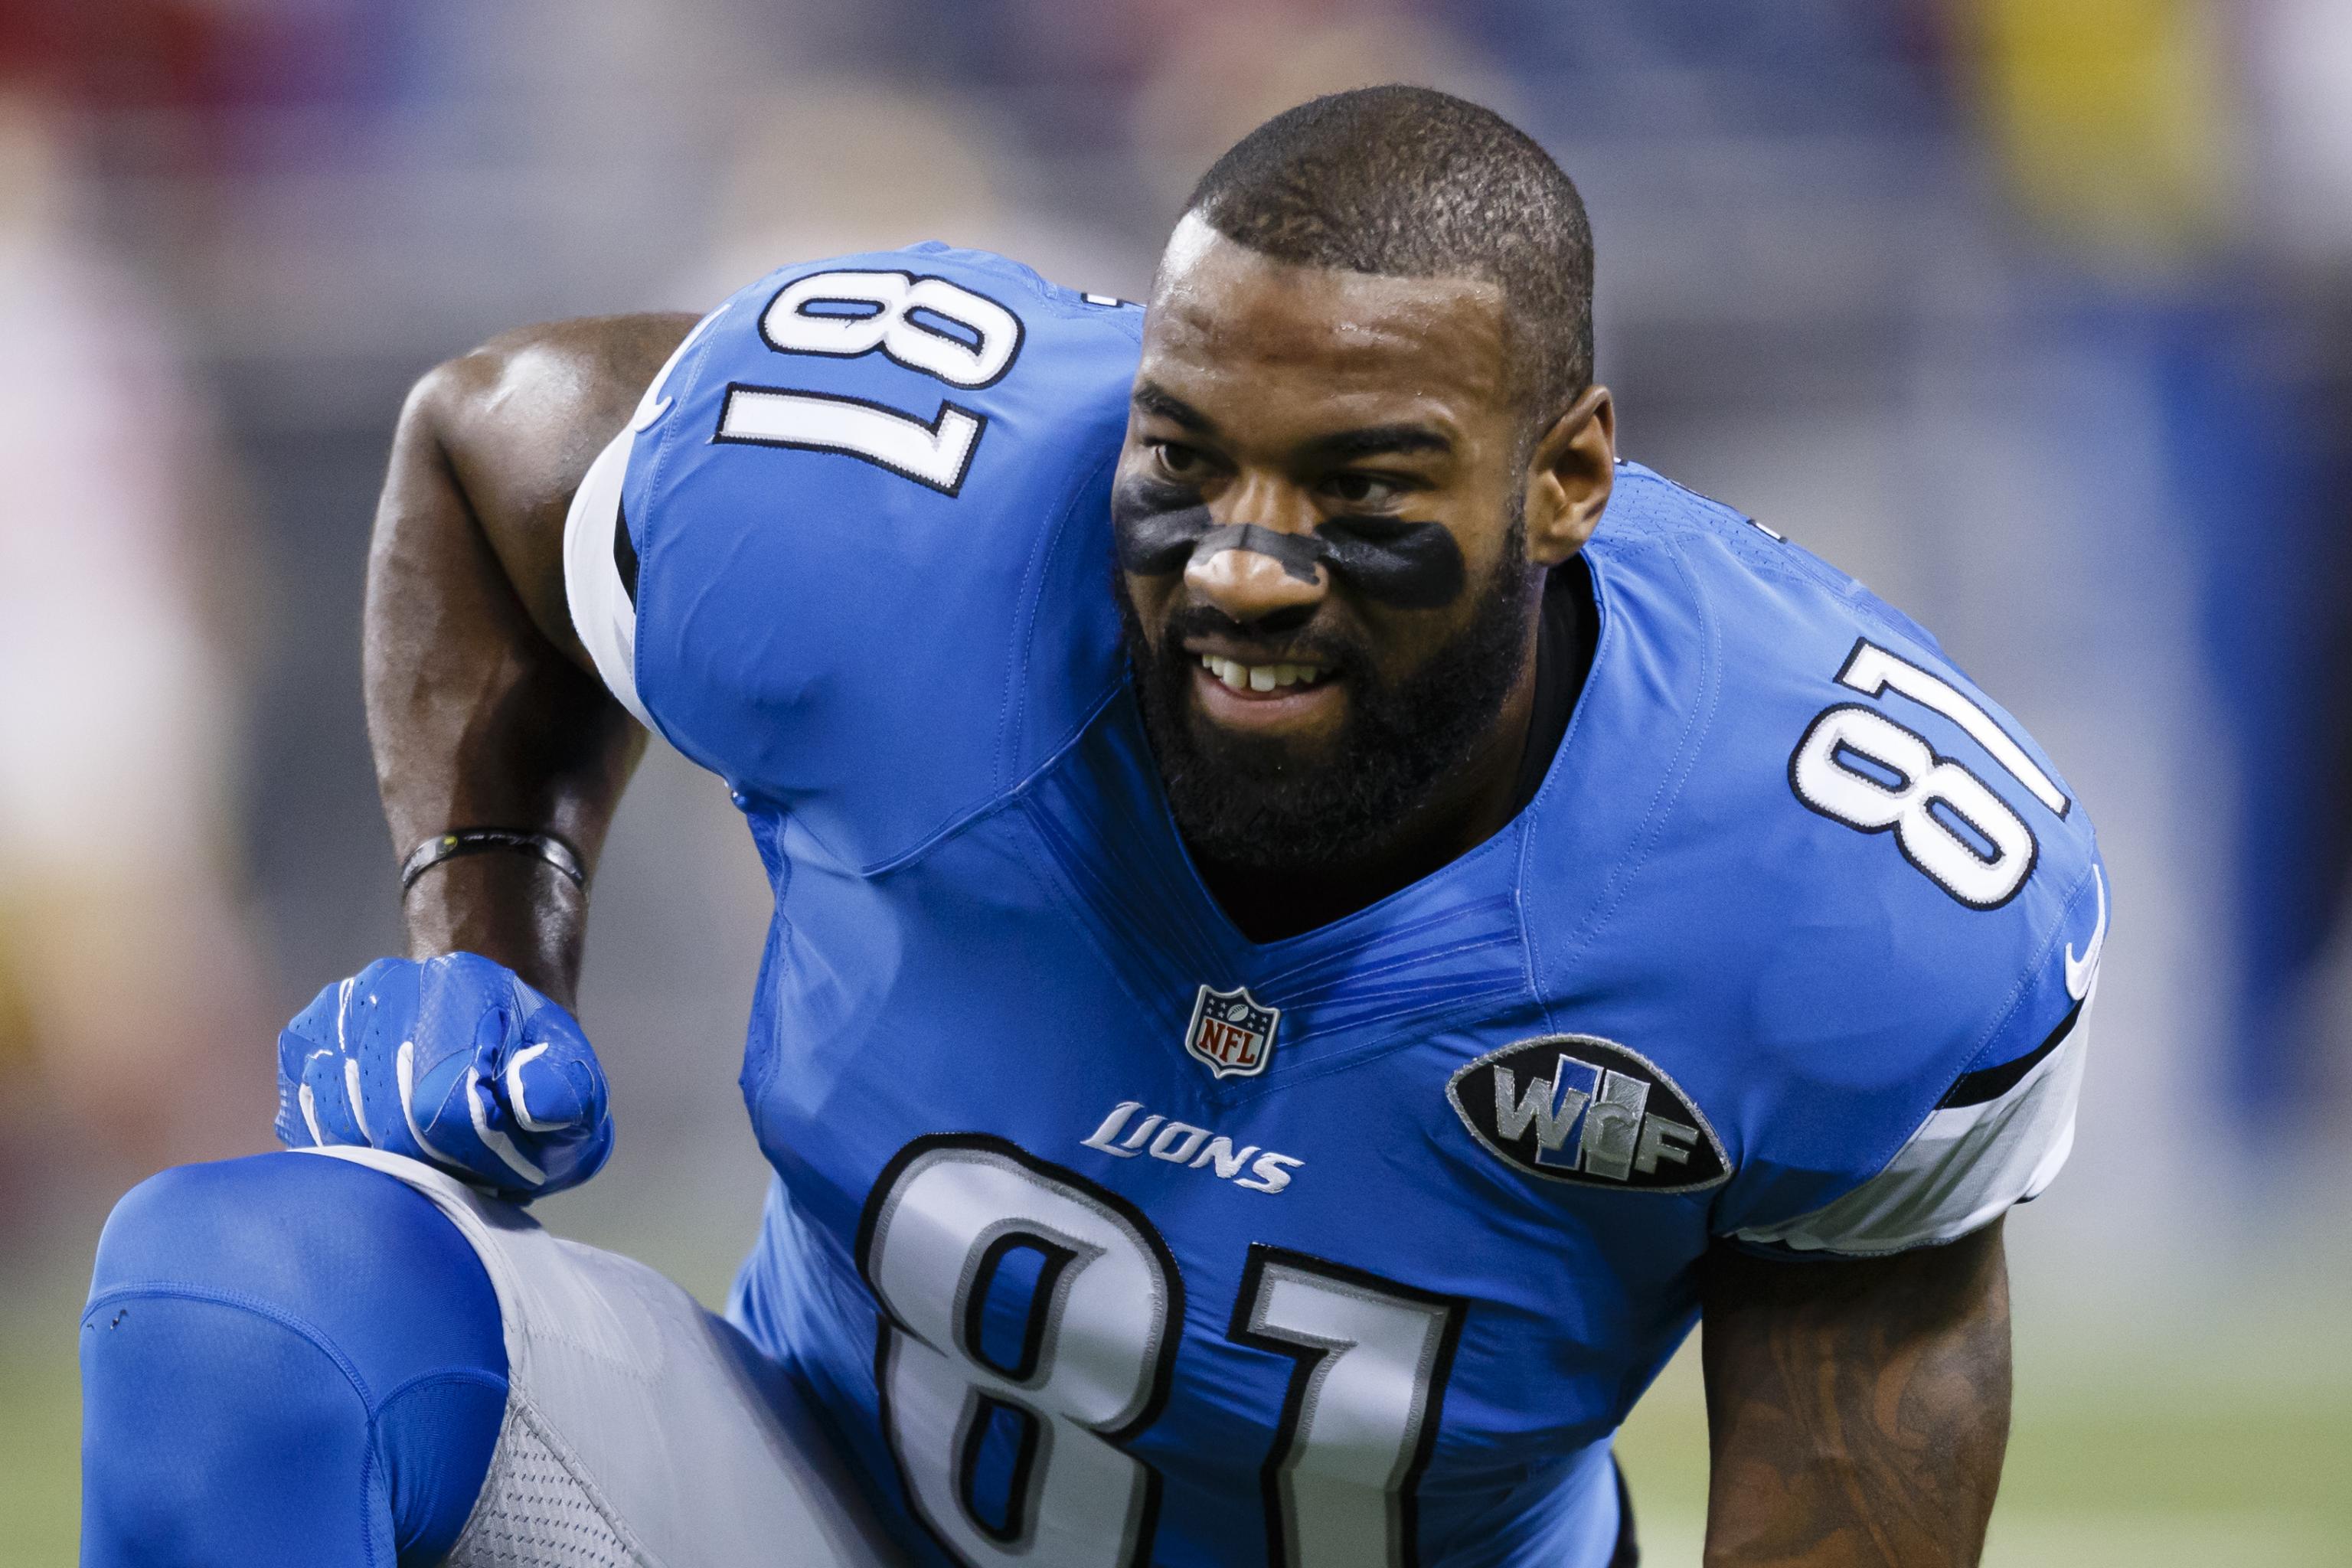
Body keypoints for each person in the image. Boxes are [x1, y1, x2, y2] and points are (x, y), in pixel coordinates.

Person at [80, 87, 2104, 1567]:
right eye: (1186, 456)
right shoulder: (890, 525)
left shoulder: (1830, 876)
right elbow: (484, 442)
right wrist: (487, 932)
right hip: (821, 1500)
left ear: (1567, 476)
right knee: (239, 1300)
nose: (1243, 564)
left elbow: (1859, 1472)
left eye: (1361, 485)